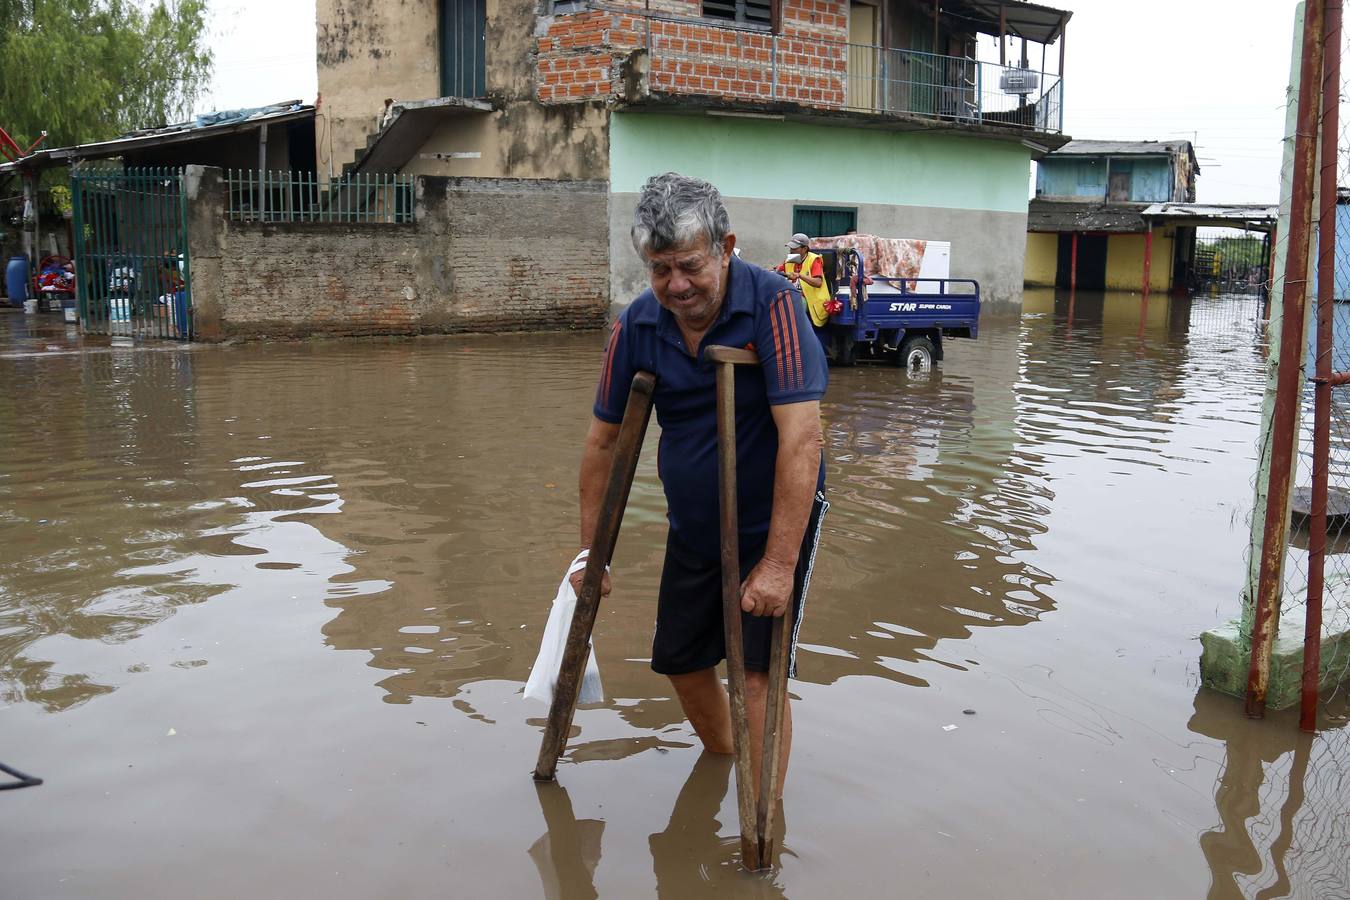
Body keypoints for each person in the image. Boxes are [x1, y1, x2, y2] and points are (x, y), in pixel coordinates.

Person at [576, 172, 828, 798]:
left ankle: (763, 825)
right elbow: (603, 443)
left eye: (689, 265)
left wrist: (776, 564)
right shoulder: (637, 324)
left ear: (726, 246)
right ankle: (731, 762)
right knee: (682, 665)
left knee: (757, 676)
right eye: (660, 270)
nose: (676, 286)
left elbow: (802, 438)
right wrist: (592, 555)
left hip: (769, 524)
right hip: (693, 525)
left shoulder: (774, 306)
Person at [779, 233, 831, 344]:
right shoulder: (791, 259)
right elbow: (778, 270)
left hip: (813, 301)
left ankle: (796, 338)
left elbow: (818, 282)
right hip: (794, 295)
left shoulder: (814, 259)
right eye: (790, 248)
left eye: (794, 248)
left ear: (804, 248)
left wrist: (799, 275)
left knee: (796, 303)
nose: (791, 251)